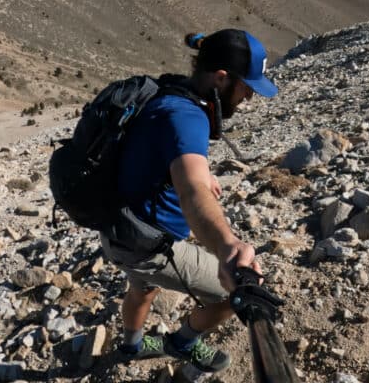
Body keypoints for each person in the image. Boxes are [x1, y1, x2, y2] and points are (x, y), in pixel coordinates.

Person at [100, 29, 278, 374]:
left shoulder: (171, 92)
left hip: (120, 228)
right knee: (237, 292)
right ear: (221, 78)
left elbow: (162, 156)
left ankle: (131, 346)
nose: (247, 99)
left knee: (142, 290)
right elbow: (192, 191)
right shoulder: (188, 116)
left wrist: (186, 172)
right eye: (247, 89)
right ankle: (182, 342)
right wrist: (228, 249)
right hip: (147, 243)